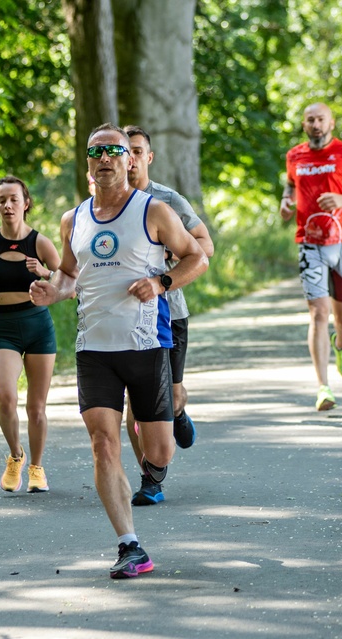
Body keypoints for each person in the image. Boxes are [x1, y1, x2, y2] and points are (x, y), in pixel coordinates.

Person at [30, 123, 208, 579]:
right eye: (96, 151)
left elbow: (197, 256)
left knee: (159, 453)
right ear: (88, 162)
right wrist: (53, 292)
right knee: (103, 443)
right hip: (94, 350)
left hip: (148, 346)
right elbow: (69, 277)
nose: (106, 157)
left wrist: (161, 282)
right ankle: (130, 545)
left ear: (131, 160)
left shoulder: (155, 211)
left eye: (115, 150)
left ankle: (170, 430)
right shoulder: (74, 219)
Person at [123, 124, 215, 507]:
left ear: (148, 156)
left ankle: (177, 413)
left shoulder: (168, 200)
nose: (129, 159)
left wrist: (166, 270)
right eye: (123, 152)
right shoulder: (104, 202)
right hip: (124, 317)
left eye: (137, 151)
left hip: (168, 313)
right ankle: (150, 478)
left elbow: (204, 246)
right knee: (133, 404)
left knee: (171, 396)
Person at [279, 103, 342, 412]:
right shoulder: (295, 156)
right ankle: (323, 387)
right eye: (310, 119)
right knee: (318, 314)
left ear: (331, 123)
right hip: (309, 243)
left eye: (320, 118)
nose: (315, 124)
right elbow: (289, 186)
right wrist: (286, 202)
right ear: (304, 124)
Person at [0, 176, 61, 494]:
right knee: (6, 398)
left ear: (26, 203)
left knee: (36, 407)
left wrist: (45, 272)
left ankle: (37, 468)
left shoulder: (40, 243)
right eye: (1, 200)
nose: (8, 205)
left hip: (38, 326)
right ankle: (15, 456)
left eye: (13, 199)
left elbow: (66, 277)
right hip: (4, 328)